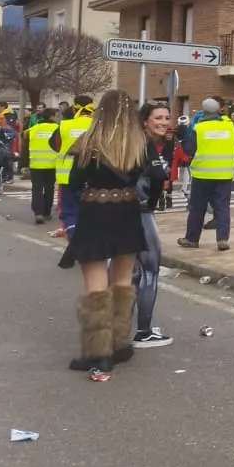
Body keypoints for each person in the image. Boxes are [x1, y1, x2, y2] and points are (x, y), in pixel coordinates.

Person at [61, 90, 150, 376]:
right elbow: (146, 178)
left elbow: (73, 182)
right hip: (127, 213)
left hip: (95, 213)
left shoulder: (88, 143)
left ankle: (99, 352)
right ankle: (121, 344)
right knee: (123, 281)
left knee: (96, 284)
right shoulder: (138, 144)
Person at [132, 102, 175, 348]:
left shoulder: (131, 142)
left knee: (129, 272)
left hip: (123, 209)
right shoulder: (144, 143)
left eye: (167, 117)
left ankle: (116, 334)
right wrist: (153, 198)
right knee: (148, 271)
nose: (164, 122)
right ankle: (144, 332)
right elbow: (158, 176)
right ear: (145, 120)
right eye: (158, 117)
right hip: (140, 210)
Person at [177, 98, 234, 251]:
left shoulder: (199, 128)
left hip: (202, 175)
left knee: (197, 207)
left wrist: (182, 137)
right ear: (219, 110)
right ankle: (222, 239)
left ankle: (192, 239)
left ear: (203, 112)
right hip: (224, 174)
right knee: (223, 207)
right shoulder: (230, 127)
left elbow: (189, 149)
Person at [54, 97, 95, 238]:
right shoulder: (99, 125)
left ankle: (74, 241)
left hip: (67, 176)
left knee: (70, 213)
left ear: (73, 108)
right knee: (91, 213)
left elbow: (54, 144)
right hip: (93, 176)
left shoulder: (65, 125)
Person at [27, 107, 60, 225]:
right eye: (56, 115)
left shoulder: (34, 129)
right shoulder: (57, 128)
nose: (58, 117)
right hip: (52, 164)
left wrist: (24, 163)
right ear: (51, 117)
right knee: (49, 188)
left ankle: (37, 212)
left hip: (35, 164)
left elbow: (25, 141)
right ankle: (46, 212)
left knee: (37, 189)